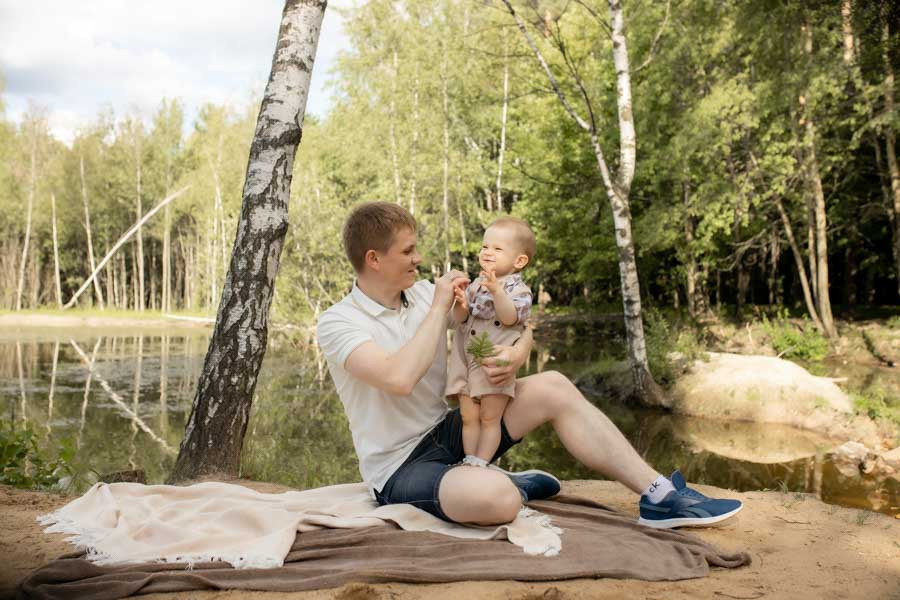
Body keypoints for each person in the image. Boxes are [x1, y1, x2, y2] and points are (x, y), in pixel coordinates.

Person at [316, 201, 742, 528]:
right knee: (497, 502)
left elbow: (517, 322)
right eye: (408, 251)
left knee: (554, 383)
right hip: (400, 467)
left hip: (452, 433)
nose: (418, 259)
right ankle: (509, 485)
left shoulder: (426, 292)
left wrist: (516, 354)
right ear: (374, 258)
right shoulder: (339, 322)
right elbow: (398, 378)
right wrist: (438, 307)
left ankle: (660, 495)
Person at [445, 216, 535, 469]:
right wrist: (461, 304)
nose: (488, 252)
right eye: (485, 247)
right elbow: (459, 320)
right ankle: (469, 459)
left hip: (492, 364)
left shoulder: (520, 291)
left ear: (519, 261)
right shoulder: (476, 285)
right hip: (466, 362)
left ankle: (481, 462)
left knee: (489, 417)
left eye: (497, 248)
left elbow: (509, 319)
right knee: (468, 416)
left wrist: (497, 292)